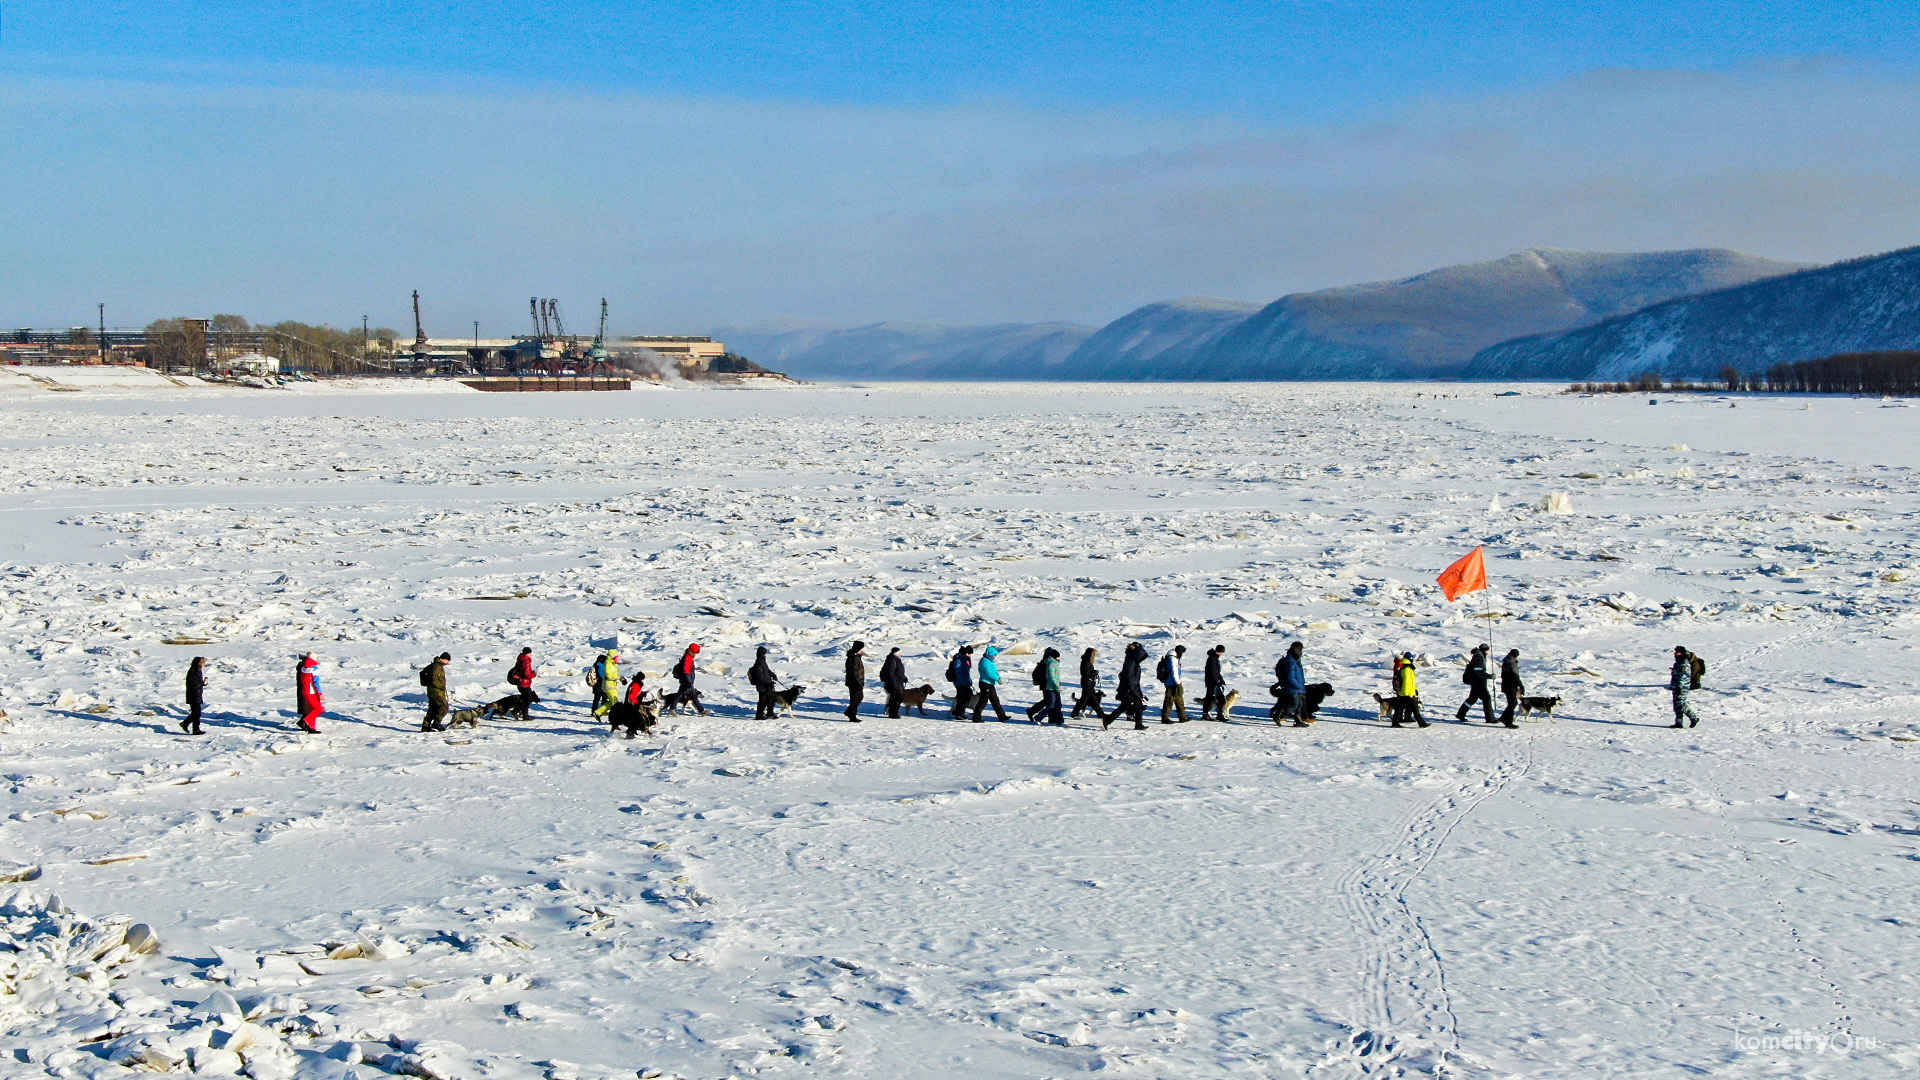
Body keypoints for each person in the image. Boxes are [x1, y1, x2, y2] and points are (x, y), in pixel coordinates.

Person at [1111, 642, 1148, 730]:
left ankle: (1108, 720)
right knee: (1137, 704)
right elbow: (1129, 675)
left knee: (1125, 706)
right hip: (1130, 687)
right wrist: (1132, 689)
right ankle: (1138, 724)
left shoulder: (1131, 659)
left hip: (1132, 686)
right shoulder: (1131, 659)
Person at [1456, 644, 1495, 724]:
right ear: (1485, 650)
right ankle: (1490, 718)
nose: (1489, 651)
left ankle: (1460, 714)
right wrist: (1489, 676)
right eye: (1488, 650)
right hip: (1479, 682)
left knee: (1472, 699)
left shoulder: (1478, 655)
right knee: (1486, 698)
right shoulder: (1480, 657)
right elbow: (1479, 672)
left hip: (1475, 682)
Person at [972, 645, 1010, 722]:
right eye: (994, 655)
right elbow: (988, 673)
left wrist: (998, 677)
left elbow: (994, 671)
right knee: (983, 701)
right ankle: (976, 717)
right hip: (985, 684)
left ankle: (1002, 716)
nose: (995, 656)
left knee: (995, 700)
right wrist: (997, 679)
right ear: (990, 654)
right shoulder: (984, 661)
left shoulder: (990, 661)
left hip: (990, 684)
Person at [1273, 641, 1307, 727]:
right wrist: (1298, 686)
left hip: (1297, 688)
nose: (1300, 652)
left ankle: (1298, 721)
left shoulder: (1296, 661)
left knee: (1300, 705)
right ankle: (1278, 715)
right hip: (1292, 688)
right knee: (1293, 705)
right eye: (1299, 650)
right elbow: (1290, 677)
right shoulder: (1290, 662)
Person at [1072, 647, 1108, 721]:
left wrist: (1094, 672)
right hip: (1087, 683)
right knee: (1084, 699)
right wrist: (1094, 673)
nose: (1094, 656)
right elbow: (1085, 673)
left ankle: (1100, 714)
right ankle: (1074, 713)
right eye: (1093, 654)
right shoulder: (1085, 662)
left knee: (1094, 700)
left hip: (1090, 683)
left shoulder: (1087, 661)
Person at [1670, 646, 1701, 728]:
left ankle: (1693, 718)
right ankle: (1679, 722)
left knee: (1680, 704)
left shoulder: (1684, 663)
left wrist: (1679, 686)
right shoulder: (1678, 663)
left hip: (1682, 687)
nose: (1675, 653)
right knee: (1676, 705)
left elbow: (1683, 676)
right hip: (1676, 686)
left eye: (1677, 652)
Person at [1157, 645, 1189, 723]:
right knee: (1169, 700)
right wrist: (1178, 682)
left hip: (1173, 682)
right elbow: (1174, 672)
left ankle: (1182, 716)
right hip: (1172, 683)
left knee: (1179, 699)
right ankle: (1165, 718)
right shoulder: (1173, 659)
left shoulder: (1173, 657)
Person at [1392, 651, 1426, 727]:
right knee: (1415, 709)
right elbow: (1407, 682)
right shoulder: (1407, 669)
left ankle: (1395, 723)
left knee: (1399, 708)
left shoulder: (1407, 668)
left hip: (1406, 692)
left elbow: (1411, 682)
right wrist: (1408, 693)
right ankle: (1422, 723)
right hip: (1407, 692)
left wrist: (1414, 690)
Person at [420, 652, 451, 732]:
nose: (448, 662)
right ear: (444, 659)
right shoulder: (437, 666)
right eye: (448, 660)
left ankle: (425, 726)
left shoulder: (435, 665)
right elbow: (434, 679)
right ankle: (436, 723)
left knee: (433, 708)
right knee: (444, 706)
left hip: (432, 690)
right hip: (436, 691)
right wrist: (441, 686)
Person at [675, 643, 706, 715]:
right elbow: (686, 671)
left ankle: (672, 709)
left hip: (686, 680)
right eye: (697, 651)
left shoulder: (688, 657)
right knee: (694, 696)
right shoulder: (688, 658)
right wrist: (689, 681)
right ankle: (702, 711)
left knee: (679, 695)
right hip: (687, 681)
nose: (697, 653)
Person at [748, 646, 779, 720]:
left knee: (770, 699)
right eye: (764, 653)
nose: (765, 655)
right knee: (763, 701)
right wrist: (768, 683)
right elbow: (760, 677)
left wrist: (773, 675)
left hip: (767, 685)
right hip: (763, 686)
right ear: (762, 654)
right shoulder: (758, 664)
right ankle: (759, 715)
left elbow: (767, 671)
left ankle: (770, 713)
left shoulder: (762, 662)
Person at [295, 653, 323, 732]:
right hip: (312, 691)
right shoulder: (314, 668)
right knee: (319, 709)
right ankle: (305, 721)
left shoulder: (303, 667)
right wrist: (320, 693)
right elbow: (316, 682)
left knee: (312, 709)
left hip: (304, 690)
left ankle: (311, 727)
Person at [1200, 645, 1229, 721]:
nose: (1222, 654)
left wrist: (1221, 679)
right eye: (1222, 652)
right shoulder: (1212, 658)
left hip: (1214, 680)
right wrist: (1216, 681)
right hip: (1211, 681)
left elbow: (1216, 671)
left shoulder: (1215, 658)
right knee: (1214, 698)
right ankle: (1212, 714)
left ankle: (1216, 714)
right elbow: (1212, 671)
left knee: (1214, 697)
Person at [1037, 647, 1065, 725]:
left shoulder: (1055, 663)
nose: (1060, 658)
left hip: (1056, 687)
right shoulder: (1051, 664)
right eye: (1058, 656)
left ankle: (1060, 720)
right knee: (1051, 705)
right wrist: (1057, 686)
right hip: (1051, 688)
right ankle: (1038, 717)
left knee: (1058, 704)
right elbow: (1051, 677)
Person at [947, 645, 975, 719]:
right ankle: (959, 713)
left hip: (963, 682)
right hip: (960, 683)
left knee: (963, 698)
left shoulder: (962, 659)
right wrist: (965, 682)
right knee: (963, 699)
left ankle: (958, 712)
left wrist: (969, 681)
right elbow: (959, 673)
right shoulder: (959, 660)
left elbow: (966, 672)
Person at [1497, 648, 1523, 728]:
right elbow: (1515, 676)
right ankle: (1508, 722)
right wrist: (1521, 685)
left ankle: (1503, 718)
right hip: (1511, 685)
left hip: (1505, 684)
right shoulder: (1512, 663)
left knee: (1512, 703)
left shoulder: (1507, 661)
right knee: (1513, 703)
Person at [508, 647, 538, 712]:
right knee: (528, 699)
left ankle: (524, 715)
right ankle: (515, 711)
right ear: (528, 653)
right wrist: (534, 674)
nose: (531, 655)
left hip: (520, 682)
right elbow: (526, 674)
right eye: (530, 653)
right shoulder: (526, 661)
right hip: (524, 683)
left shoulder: (520, 659)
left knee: (526, 699)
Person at [182, 657, 207, 735]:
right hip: (193, 695)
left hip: (197, 694)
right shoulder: (192, 672)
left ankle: (186, 724)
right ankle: (194, 728)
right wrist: (200, 686)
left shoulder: (198, 671)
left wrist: (204, 683)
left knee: (196, 713)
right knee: (197, 713)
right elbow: (193, 684)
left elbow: (198, 683)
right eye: (202, 663)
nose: (203, 665)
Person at [880, 647, 907, 718]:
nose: (901, 654)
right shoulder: (892, 660)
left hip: (898, 682)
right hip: (893, 683)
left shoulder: (896, 660)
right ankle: (893, 714)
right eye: (900, 653)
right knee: (897, 697)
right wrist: (894, 684)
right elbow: (890, 673)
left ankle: (893, 713)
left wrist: (904, 678)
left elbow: (898, 672)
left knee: (896, 698)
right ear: (897, 653)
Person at [593, 650, 621, 718]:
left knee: (612, 701)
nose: (618, 658)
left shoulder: (612, 663)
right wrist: (618, 678)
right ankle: (616, 717)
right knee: (615, 702)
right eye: (616, 657)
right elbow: (609, 675)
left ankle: (598, 712)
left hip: (612, 685)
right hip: (609, 685)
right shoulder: (608, 664)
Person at [844, 641, 866, 722]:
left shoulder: (856, 657)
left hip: (857, 681)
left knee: (859, 697)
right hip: (854, 682)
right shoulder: (853, 658)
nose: (862, 651)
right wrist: (857, 682)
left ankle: (849, 711)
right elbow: (853, 672)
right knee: (855, 699)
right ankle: (852, 716)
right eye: (861, 649)